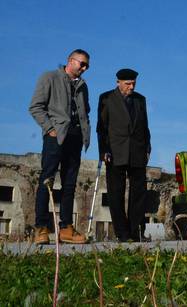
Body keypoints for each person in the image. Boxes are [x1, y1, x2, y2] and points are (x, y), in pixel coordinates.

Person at [29, 49, 91, 244]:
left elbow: (85, 112)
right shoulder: (50, 77)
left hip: (75, 138)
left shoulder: (83, 86)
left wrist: (84, 134)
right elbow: (35, 107)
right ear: (70, 61)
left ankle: (66, 228)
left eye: (87, 65)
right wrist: (50, 129)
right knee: (47, 180)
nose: (84, 68)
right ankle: (41, 228)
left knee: (70, 184)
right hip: (55, 137)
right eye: (81, 63)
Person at [97, 68, 151, 242]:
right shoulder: (106, 98)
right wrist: (103, 150)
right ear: (118, 82)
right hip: (115, 152)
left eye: (134, 83)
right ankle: (122, 233)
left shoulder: (140, 100)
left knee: (139, 193)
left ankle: (136, 232)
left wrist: (147, 148)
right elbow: (102, 128)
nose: (131, 87)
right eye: (128, 84)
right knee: (116, 193)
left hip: (137, 152)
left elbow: (145, 126)